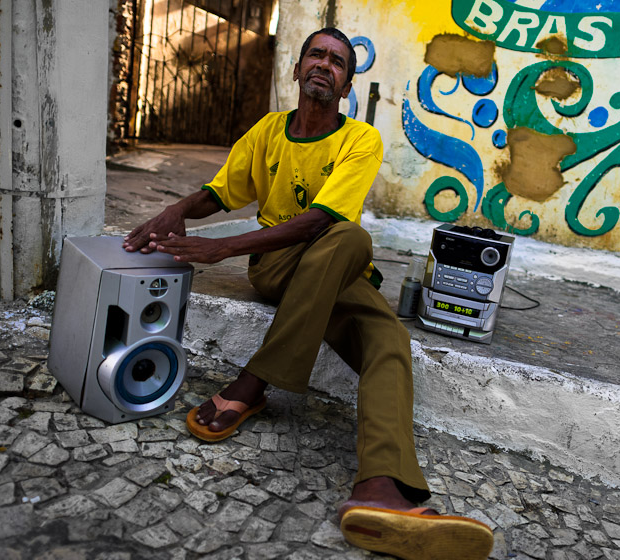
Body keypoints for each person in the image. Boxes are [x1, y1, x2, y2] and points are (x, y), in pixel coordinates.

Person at [123, 27, 493, 560]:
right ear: (297, 72)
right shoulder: (269, 131)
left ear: (345, 86)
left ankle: (381, 491)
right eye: (315, 55)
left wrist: (222, 250)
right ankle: (257, 383)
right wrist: (178, 210)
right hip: (277, 268)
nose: (324, 64)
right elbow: (221, 192)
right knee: (352, 238)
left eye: (338, 62)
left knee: (388, 342)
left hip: (332, 268)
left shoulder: (359, 140)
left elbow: (319, 222)